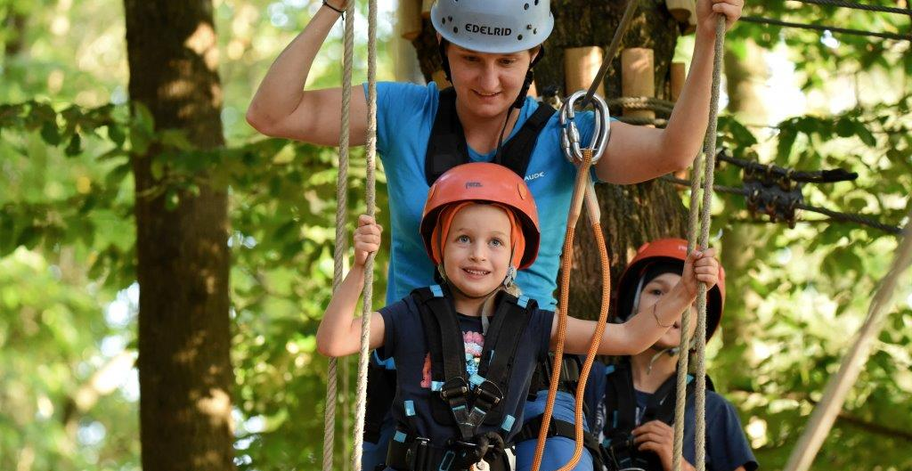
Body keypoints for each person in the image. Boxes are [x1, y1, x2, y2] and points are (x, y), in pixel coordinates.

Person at [248, 0, 743, 468]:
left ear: (533, 58)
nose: (488, 81)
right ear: (444, 52)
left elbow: (674, 151)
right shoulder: (404, 112)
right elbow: (271, 114)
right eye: (470, 60)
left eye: (507, 61)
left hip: (527, 375)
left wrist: (704, 37)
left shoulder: (566, 136)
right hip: (414, 372)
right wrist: (333, 7)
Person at [316, 164, 723, 471]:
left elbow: (630, 337)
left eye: (495, 242)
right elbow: (334, 342)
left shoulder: (534, 324)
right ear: (439, 248)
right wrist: (358, 269)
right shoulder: (410, 314)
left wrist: (685, 293)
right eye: (463, 239)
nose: (478, 253)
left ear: (514, 257)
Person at [578, 238, 758, 471]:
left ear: (699, 325)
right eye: (657, 291)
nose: (672, 306)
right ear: (632, 304)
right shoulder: (588, 380)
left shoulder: (711, 410)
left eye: (690, 301)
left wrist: (679, 463)